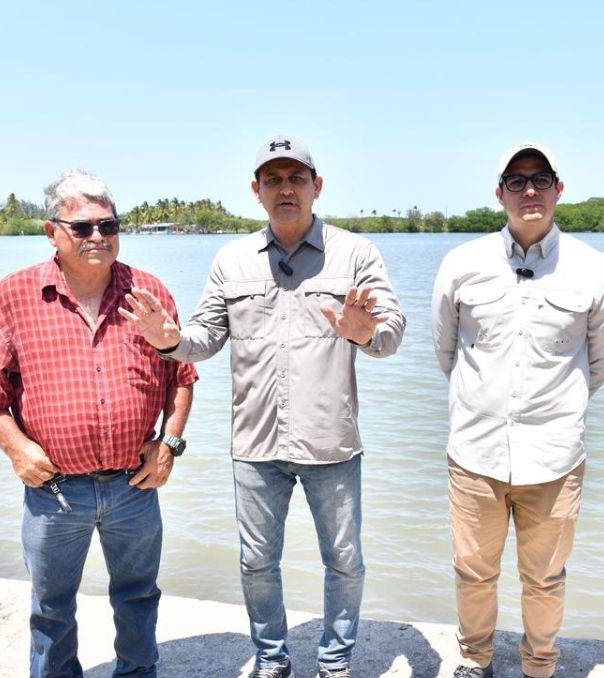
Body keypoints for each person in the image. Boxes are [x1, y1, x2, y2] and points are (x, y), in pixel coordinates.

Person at [120, 135, 406, 678]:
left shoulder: (356, 254)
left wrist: (367, 332)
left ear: (316, 186)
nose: (286, 189)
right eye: (272, 179)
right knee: (256, 563)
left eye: (296, 178)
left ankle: (335, 660)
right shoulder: (231, 260)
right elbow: (203, 337)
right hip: (255, 444)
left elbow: (392, 332)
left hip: (331, 441)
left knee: (344, 561)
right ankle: (273, 660)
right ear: (256, 191)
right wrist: (167, 340)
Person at [0, 170, 197, 678]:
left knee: (138, 598)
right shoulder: (11, 297)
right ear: (52, 232)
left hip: (135, 485)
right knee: (51, 608)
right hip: (54, 490)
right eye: (83, 227)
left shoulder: (147, 292)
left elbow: (182, 375)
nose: (98, 237)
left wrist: (170, 443)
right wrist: (17, 449)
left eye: (108, 225)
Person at [431, 143, 604, 678]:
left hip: (556, 456)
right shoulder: (460, 264)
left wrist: (556, 409)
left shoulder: (597, 269)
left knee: (545, 577)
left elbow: (600, 361)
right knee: (473, 571)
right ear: (500, 194)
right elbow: (447, 352)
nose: (530, 190)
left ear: (559, 188)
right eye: (516, 181)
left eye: (541, 179)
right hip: (474, 453)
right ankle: (475, 660)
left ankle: (540, 664)